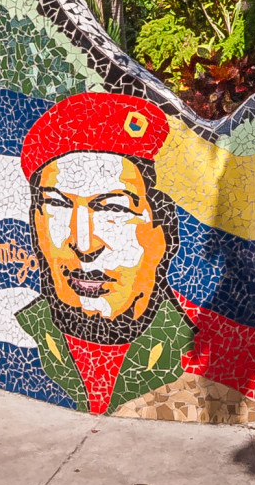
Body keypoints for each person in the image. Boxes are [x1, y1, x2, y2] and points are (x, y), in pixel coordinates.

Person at [14, 92, 193, 415]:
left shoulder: (199, 350)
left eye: (113, 207)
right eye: (57, 203)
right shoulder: (17, 335)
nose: (83, 244)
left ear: (162, 230)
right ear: (36, 223)